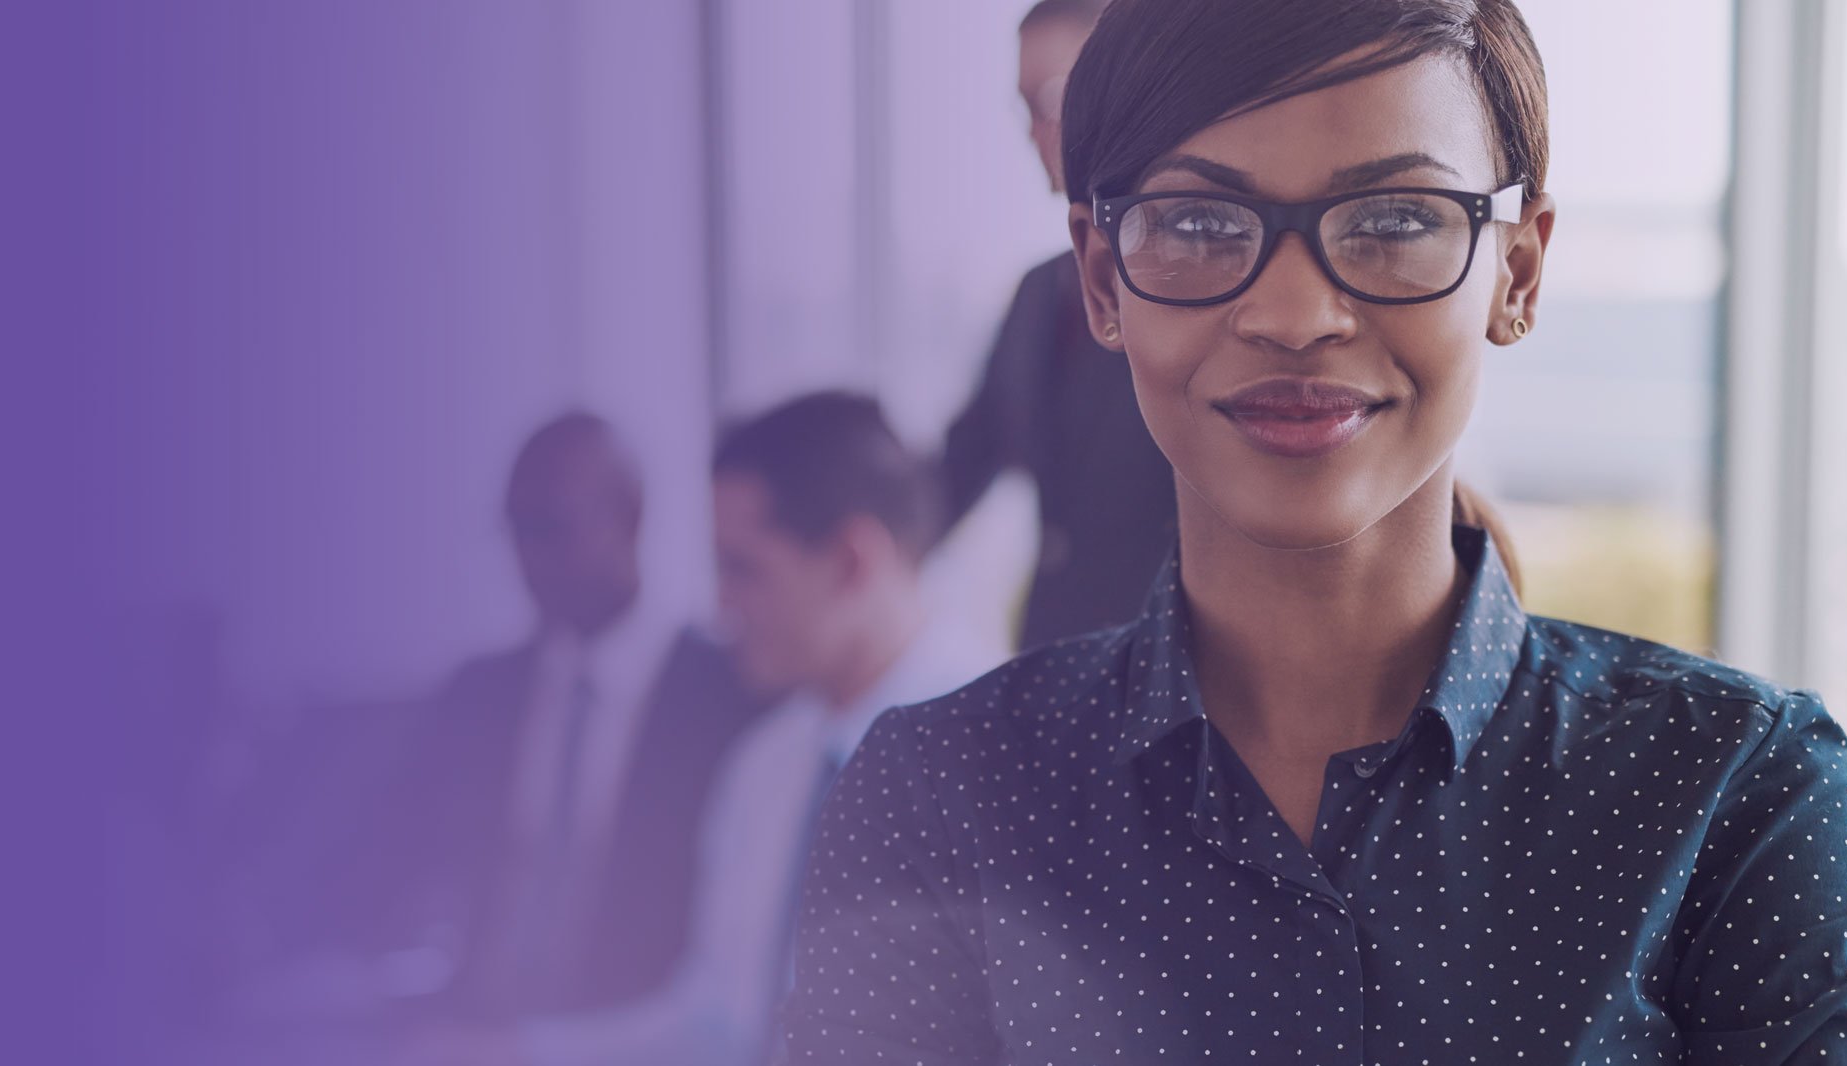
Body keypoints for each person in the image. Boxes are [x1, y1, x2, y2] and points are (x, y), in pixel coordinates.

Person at [776, 1, 1847, 1062]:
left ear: (1514, 272)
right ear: (1100, 278)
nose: (1290, 314)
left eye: (1390, 221)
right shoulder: (937, 795)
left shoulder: (1732, 788)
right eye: (1197, 221)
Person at [269, 413, 774, 1062]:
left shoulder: (728, 699)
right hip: (466, 1031)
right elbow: (382, 860)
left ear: (631, 514)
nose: (530, 559)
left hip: (626, 1044)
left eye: (552, 528)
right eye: (516, 532)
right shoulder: (478, 696)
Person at [513, 393, 996, 1066]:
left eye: (743, 568)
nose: (721, 605)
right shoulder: (763, 765)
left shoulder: (1013, 767)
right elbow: (717, 1026)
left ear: (852, 562)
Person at [938, 0, 1177, 652]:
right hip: (1054, 654)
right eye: (1025, 106)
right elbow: (964, 459)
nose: (1034, 130)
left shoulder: (1198, 282)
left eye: (1052, 95)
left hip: (1171, 664)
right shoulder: (1038, 292)